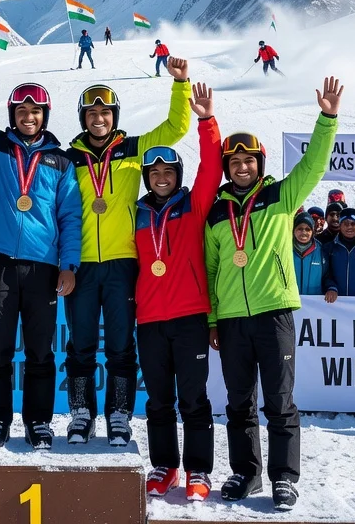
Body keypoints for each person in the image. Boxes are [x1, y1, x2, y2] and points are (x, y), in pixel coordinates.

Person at [205, 76, 342, 510]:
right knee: (238, 402)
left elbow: (314, 166)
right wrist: (213, 319)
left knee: (279, 401)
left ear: (259, 164)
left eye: (248, 161)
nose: (241, 168)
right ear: (227, 168)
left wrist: (328, 118)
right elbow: (211, 268)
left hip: (274, 312)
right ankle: (246, 473)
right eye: (234, 162)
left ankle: (284, 477)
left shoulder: (281, 197)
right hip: (231, 319)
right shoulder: (216, 214)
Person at [0, 35, 81, 450]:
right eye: (23, 110)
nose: (29, 117)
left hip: (43, 265)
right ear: (13, 114)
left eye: (36, 111)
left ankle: (39, 422)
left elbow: (70, 216)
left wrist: (69, 264)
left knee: (41, 351)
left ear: (45, 116)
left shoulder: (61, 160)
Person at [65, 63, 191, 446]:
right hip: (82, 265)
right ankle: (80, 414)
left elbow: (175, 128)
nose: (99, 118)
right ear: (84, 119)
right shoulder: (69, 158)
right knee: (81, 344)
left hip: (123, 263)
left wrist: (181, 85)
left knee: (121, 343)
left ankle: (119, 414)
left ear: (113, 116)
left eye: (105, 112)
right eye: (92, 113)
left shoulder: (134, 149)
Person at [134, 82, 219, 502]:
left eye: (168, 172)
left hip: (189, 317)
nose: (162, 178)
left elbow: (212, 170)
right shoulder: (137, 214)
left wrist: (206, 121)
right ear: (148, 179)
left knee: (193, 399)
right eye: (155, 174)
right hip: (149, 319)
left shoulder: (194, 204)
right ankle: (164, 466)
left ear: (177, 176)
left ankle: (198, 471)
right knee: (158, 401)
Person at [292, 214, 330, 296]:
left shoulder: (321, 251)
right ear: (293, 230)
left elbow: (327, 276)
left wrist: (331, 288)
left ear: (312, 231)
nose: (304, 232)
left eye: (308, 229)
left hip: (313, 304)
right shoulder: (285, 250)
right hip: (290, 303)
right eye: (300, 229)